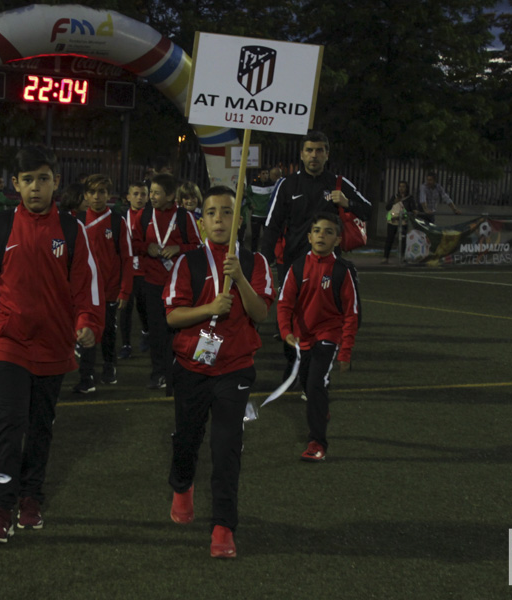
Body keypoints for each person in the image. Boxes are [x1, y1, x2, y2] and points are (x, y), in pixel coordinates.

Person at [0, 146, 103, 544]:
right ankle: (0, 507)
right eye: (28, 179)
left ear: (56, 182)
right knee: (10, 422)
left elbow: (87, 289)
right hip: (8, 342)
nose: (36, 187)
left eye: (44, 178)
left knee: (40, 427)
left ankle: (31, 497)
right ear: (15, 184)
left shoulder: (72, 230)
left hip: (54, 346)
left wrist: (87, 324)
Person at [163, 186, 274, 558]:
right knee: (188, 439)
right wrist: (209, 307)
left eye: (227, 212)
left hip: (235, 368)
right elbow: (173, 316)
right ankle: (182, 484)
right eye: (212, 213)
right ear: (202, 221)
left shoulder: (255, 262)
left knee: (226, 448)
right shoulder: (187, 263)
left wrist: (240, 279)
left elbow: (261, 314)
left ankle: (223, 527)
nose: (220, 219)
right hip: (191, 367)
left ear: (238, 219)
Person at [276, 213, 360, 462]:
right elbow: (284, 304)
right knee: (308, 384)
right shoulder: (298, 267)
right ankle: (320, 409)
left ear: (337, 240)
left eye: (328, 231)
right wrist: (285, 332)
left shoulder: (342, 271)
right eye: (317, 230)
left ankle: (317, 443)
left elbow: (351, 313)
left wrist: (345, 351)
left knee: (315, 384)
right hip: (302, 338)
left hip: (328, 335)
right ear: (309, 236)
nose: (322, 235)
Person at [260, 130, 372, 268]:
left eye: (319, 150)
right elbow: (272, 225)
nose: (314, 155)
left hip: (329, 265)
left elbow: (368, 211)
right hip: (294, 263)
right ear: (302, 155)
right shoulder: (288, 184)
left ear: (327, 155)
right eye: (309, 150)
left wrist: (348, 203)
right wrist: (264, 261)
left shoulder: (338, 183)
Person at [133, 173, 201, 390]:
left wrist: (179, 248)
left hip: (178, 284)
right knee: (156, 330)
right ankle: (158, 372)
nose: (151, 196)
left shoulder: (184, 217)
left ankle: (178, 370)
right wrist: (146, 248)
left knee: (179, 330)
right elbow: (133, 244)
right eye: (150, 192)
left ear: (171, 195)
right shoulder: (143, 216)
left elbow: (198, 247)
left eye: (156, 192)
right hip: (152, 282)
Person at [74, 174, 132, 393]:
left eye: (101, 192)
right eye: (92, 192)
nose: (96, 196)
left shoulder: (117, 221)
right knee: (85, 330)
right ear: (85, 195)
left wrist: (124, 291)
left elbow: (126, 258)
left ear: (109, 195)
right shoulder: (78, 219)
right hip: (84, 291)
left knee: (107, 332)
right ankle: (87, 377)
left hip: (109, 291)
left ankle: (109, 366)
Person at [118, 181, 151, 360]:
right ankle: (126, 344)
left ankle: (146, 331)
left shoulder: (152, 217)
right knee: (125, 309)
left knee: (143, 307)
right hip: (127, 271)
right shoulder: (120, 217)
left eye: (143, 194)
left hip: (145, 271)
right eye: (136, 194)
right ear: (128, 197)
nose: (139, 198)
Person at [382, 180, 415, 264]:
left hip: (403, 221)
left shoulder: (409, 198)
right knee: (389, 239)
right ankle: (385, 257)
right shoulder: (395, 196)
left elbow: (412, 209)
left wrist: (410, 212)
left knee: (403, 239)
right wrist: (394, 202)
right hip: (392, 221)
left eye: (403, 186)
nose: (401, 188)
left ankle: (403, 257)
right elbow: (387, 207)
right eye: (400, 186)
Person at [245, 167, 276, 252]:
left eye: (266, 173)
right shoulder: (253, 185)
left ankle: (266, 256)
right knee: (255, 237)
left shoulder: (272, 185)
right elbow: (247, 196)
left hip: (267, 216)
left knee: (267, 238)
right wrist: (251, 204)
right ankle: (253, 254)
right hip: (256, 215)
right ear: (259, 175)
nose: (265, 175)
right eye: (263, 173)